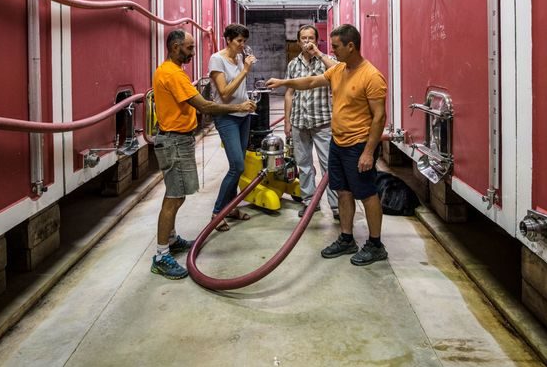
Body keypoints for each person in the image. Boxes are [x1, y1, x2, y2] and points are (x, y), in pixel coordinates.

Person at [267, 24, 388, 266]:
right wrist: (283, 81)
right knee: (343, 192)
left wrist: (368, 152)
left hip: (358, 145)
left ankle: (376, 244)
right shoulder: (339, 69)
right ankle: (346, 238)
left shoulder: (371, 76)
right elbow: (311, 81)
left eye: (335, 47)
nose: (331, 51)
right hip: (338, 142)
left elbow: (379, 117)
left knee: (367, 194)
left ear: (350, 46)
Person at [151, 29, 256, 279]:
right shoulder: (172, 74)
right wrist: (238, 106)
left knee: (179, 195)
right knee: (174, 197)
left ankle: (173, 240)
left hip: (180, 139)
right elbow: (204, 105)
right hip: (174, 140)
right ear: (175, 47)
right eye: (189, 48)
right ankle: (161, 255)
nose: (192, 52)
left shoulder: (174, 71)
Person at [283, 24, 339, 219]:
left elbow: (339, 71)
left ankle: (336, 205)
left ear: (317, 40)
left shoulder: (326, 61)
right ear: (298, 42)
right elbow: (289, 93)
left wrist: (318, 53)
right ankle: (309, 202)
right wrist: (287, 121)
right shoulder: (293, 65)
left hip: (322, 121)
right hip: (299, 121)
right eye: (304, 38)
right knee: (304, 164)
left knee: (328, 165)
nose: (307, 42)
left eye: (311, 38)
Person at [209, 23, 257, 231]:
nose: (242, 45)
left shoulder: (239, 58)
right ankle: (217, 213)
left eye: (244, 41)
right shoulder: (216, 60)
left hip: (243, 116)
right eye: (239, 41)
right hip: (226, 117)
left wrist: (249, 102)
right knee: (237, 165)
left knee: (239, 166)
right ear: (228, 39)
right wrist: (245, 70)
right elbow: (225, 94)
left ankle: (232, 207)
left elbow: (240, 90)